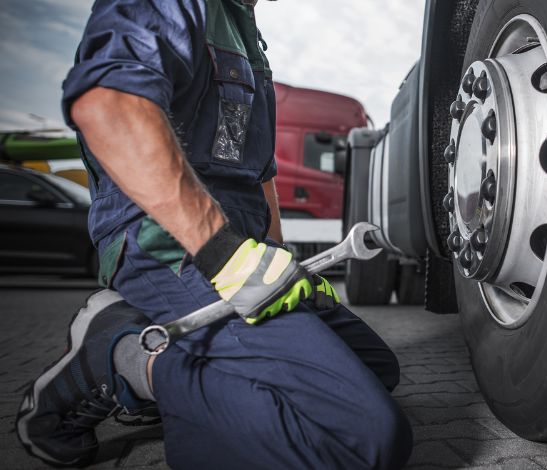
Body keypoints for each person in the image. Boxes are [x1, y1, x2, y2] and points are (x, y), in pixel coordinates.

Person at [15, 1, 413, 468]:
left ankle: (185, 366)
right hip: (168, 244)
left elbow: (259, 176)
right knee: (366, 439)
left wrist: (279, 261)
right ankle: (126, 358)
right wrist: (223, 255)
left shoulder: (244, 29)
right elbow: (109, 104)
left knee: (375, 368)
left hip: (238, 245)